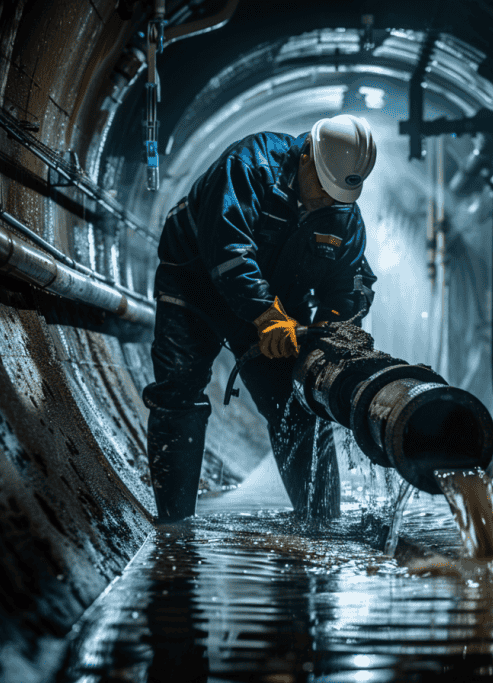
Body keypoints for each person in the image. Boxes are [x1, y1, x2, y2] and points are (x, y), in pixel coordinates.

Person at [143, 114, 379, 523]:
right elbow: (229, 248)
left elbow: (352, 282)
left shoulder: (342, 214)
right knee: (178, 392)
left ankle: (321, 522)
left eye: (339, 195)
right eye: (323, 188)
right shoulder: (250, 165)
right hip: (193, 281)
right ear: (305, 156)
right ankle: (174, 526)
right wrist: (265, 316)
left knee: (298, 405)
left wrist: (333, 335)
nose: (326, 202)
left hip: (275, 303)